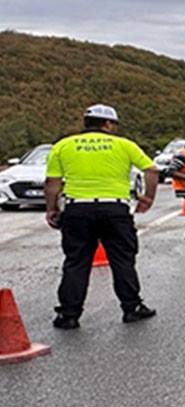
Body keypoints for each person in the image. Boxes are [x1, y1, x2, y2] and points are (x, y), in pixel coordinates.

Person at [44, 104, 159, 329]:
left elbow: (52, 183)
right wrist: (147, 198)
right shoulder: (124, 144)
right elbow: (152, 170)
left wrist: (52, 209)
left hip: (77, 210)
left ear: (86, 123)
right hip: (115, 211)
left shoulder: (63, 145)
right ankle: (132, 307)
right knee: (122, 260)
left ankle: (69, 315)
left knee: (76, 262)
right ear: (108, 124)